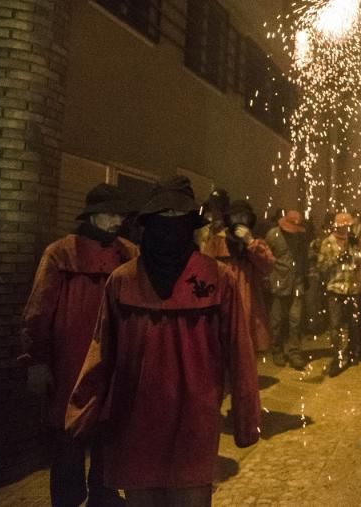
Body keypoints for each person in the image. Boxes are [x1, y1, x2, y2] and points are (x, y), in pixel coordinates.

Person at [65, 176, 260, 506]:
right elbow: (102, 352)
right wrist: (82, 414)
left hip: (190, 420)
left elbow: (240, 354)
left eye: (177, 218)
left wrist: (245, 418)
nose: (170, 227)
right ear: (148, 224)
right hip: (139, 420)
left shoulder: (217, 279)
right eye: (163, 218)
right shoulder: (124, 280)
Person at [20, 184, 136, 507]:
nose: (117, 221)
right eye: (111, 214)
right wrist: (36, 360)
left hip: (112, 362)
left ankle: (104, 493)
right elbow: (39, 310)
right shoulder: (61, 253)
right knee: (70, 440)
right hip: (71, 362)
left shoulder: (128, 254)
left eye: (120, 214)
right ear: (94, 215)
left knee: (108, 435)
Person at [202, 199, 275, 353]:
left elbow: (268, 266)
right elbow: (205, 267)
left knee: (246, 347)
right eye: (236, 217)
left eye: (244, 217)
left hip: (249, 301)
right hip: (223, 298)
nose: (240, 221)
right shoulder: (217, 240)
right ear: (229, 219)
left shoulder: (256, 242)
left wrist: (250, 242)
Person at [316, 212, 361, 376]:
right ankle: (336, 356)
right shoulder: (327, 243)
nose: (346, 228)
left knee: (353, 324)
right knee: (335, 326)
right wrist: (337, 258)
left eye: (348, 225)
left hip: (353, 289)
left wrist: (354, 250)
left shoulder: (353, 241)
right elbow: (321, 267)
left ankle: (353, 353)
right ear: (338, 226)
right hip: (335, 289)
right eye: (344, 225)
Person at [265, 210, 309, 370]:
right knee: (276, 320)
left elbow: (304, 258)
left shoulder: (301, 237)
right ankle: (276, 350)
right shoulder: (272, 235)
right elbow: (264, 258)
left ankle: (294, 353)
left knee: (295, 320)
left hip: (297, 283)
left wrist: (305, 278)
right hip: (278, 283)